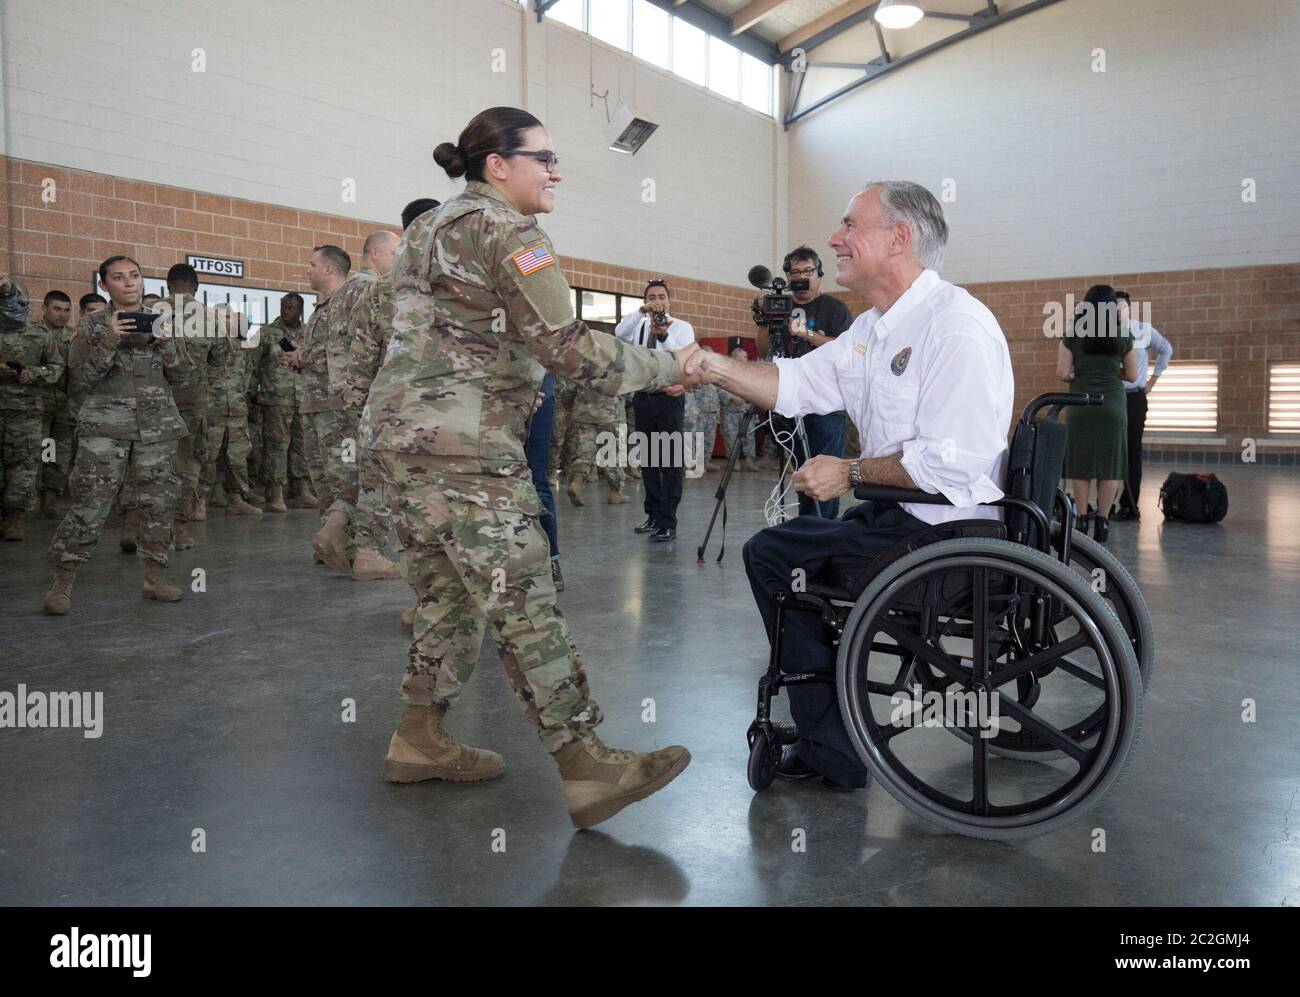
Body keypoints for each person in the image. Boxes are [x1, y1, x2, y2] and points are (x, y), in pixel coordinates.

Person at [359, 106, 699, 829]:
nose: (557, 171)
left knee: (447, 598)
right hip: (469, 450)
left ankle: (418, 737)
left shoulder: (426, 228)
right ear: (497, 165)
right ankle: (584, 766)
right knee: (525, 603)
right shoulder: (510, 232)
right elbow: (570, 349)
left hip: (402, 440)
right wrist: (670, 365)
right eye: (543, 158)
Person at [686, 181, 1014, 790]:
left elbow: (955, 460)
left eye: (849, 225)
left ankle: (831, 749)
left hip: (947, 537)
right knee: (797, 542)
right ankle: (829, 720)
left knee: (772, 554)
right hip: (904, 519)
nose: (835, 238)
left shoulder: (955, 326)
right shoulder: (872, 329)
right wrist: (715, 367)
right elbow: (794, 386)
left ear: (899, 237)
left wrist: (851, 471)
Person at [43, 256, 189, 613]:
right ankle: (62, 581)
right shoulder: (93, 325)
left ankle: (155, 577)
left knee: (158, 503)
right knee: (90, 503)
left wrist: (165, 343)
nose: (129, 283)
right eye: (118, 278)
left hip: (156, 428)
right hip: (104, 428)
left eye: (135, 276)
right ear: (104, 285)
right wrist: (110, 338)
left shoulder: (165, 320)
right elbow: (79, 379)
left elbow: (184, 376)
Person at [282, 243, 371, 571]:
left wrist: (304, 356)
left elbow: (346, 348)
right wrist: (300, 356)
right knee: (322, 477)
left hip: (339, 408)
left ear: (329, 269)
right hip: (314, 404)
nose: (307, 270)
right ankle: (330, 541)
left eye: (311, 264)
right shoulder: (320, 309)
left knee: (345, 475)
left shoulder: (351, 298)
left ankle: (357, 546)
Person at [757, 247, 854, 517]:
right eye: (795, 272)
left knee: (823, 472)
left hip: (826, 404)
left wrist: (808, 334)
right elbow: (765, 349)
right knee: (801, 472)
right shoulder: (780, 306)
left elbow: (846, 349)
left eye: (808, 271)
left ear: (819, 274)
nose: (802, 277)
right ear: (787, 277)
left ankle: (823, 530)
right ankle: (805, 527)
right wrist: (764, 321)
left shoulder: (835, 308)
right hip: (789, 399)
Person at [614, 279, 696, 542]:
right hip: (643, 397)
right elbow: (618, 332)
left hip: (668, 397)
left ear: (669, 301)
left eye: (662, 296)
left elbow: (685, 358)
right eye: (652, 297)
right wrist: (641, 312)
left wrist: (664, 336)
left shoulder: (682, 328)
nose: (657, 301)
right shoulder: (638, 326)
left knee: (670, 461)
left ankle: (668, 521)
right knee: (649, 459)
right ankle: (653, 514)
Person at [1057, 284, 1137, 543]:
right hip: (1113, 405)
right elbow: (1134, 375)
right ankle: (1102, 521)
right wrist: (1113, 372)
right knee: (1110, 465)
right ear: (1112, 306)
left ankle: (1081, 517)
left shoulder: (1073, 333)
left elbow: (1062, 373)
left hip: (1081, 405)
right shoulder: (1122, 334)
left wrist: (1079, 374)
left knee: (1080, 464)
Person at [0, 275, 65, 541]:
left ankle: (16, 517)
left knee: (23, 464)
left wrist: (33, 373)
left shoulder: (40, 334)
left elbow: (57, 367)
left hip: (26, 409)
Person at [1114, 290, 1172, 521]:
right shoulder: (1102, 333)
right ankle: (1105, 505)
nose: (1117, 311)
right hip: (1110, 397)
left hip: (1133, 398)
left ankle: (1130, 505)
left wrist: (1152, 381)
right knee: (1110, 451)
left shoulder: (1143, 330)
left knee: (1132, 451)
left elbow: (1166, 348)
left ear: (1129, 308)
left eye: (1121, 307)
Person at [200, 304, 262, 516]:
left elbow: (247, 374)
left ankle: (236, 498)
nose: (224, 321)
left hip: (236, 409)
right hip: (212, 409)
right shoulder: (205, 343)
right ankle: (200, 501)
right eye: (220, 317)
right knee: (207, 456)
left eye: (228, 316)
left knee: (238, 456)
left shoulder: (242, 345)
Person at [255, 293, 315, 511]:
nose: (286, 311)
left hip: (303, 398)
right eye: (283, 307)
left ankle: (302, 489)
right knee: (277, 446)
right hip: (276, 398)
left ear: (300, 310)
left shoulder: (309, 332)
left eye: (291, 308)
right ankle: (275, 492)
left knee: (302, 444)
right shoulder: (269, 333)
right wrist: (251, 391)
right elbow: (253, 365)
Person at [35, 290, 74, 517]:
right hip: (39, 404)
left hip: (65, 406)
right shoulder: (34, 334)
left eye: (67, 310)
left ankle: (49, 498)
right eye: (57, 309)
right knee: (39, 451)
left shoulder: (74, 335)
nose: (62, 314)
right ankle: (31, 499)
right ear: (45, 308)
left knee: (59, 453)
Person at [719, 346, 758, 471]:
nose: (746, 359)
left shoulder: (749, 373)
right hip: (729, 411)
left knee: (749, 435)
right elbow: (719, 387)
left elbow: (756, 388)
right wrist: (731, 397)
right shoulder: (725, 371)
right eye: (744, 357)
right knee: (731, 437)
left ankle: (749, 460)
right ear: (735, 358)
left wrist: (747, 397)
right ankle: (733, 462)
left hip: (745, 410)